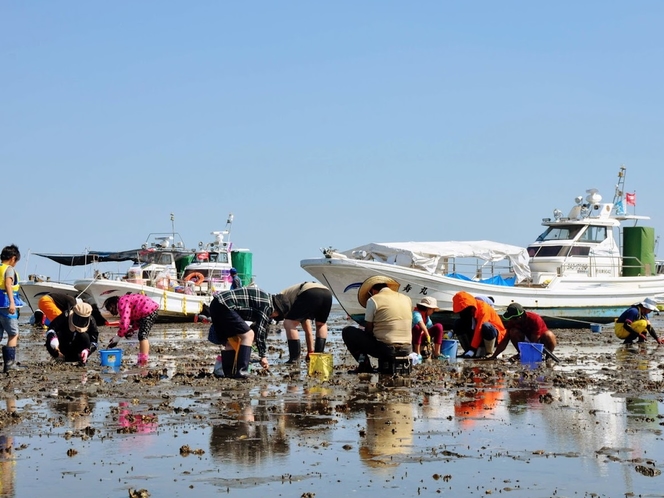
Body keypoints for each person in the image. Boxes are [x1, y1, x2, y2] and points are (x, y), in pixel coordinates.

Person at [341, 276, 413, 373]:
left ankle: (364, 365)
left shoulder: (373, 300)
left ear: (373, 291)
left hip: (386, 349)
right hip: (407, 349)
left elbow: (369, 330)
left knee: (347, 331)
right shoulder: (407, 299)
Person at [207, 287, 274, 378]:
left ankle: (229, 374)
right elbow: (260, 333)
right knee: (248, 335)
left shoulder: (250, 315)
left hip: (217, 304)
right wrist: (263, 356)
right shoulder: (266, 307)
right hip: (224, 304)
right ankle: (242, 373)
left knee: (231, 341)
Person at [271, 282, 333, 364]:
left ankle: (294, 359)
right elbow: (308, 331)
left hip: (308, 292)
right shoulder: (295, 301)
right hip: (327, 293)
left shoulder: (281, 299)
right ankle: (317, 358)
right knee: (320, 324)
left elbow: (288, 319)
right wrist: (310, 351)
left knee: (289, 323)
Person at [104, 294, 159, 365]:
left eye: (110, 310)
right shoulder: (124, 300)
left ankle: (143, 361)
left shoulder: (122, 303)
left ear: (113, 304)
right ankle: (142, 360)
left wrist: (117, 338)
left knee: (143, 336)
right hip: (147, 310)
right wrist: (131, 330)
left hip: (148, 310)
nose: (113, 314)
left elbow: (124, 323)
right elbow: (135, 319)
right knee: (142, 335)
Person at [489, 302, 557, 359]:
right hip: (526, 341)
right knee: (512, 332)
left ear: (519, 317)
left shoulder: (534, 319)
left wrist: (530, 354)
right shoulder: (512, 322)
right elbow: (505, 340)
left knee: (549, 335)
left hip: (539, 341)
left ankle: (548, 357)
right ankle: (521, 353)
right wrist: (494, 356)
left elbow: (535, 340)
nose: (511, 321)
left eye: (512, 319)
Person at [452, 291, 506, 358]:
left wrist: (473, 349)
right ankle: (467, 351)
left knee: (486, 326)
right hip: (478, 337)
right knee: (458, 323)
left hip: (494, 337)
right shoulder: (468, 312)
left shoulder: (483, 308)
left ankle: (489, 352)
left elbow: (479, 329)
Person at [0, 244, 24, 373]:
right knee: (13, 334)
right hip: (5, 305)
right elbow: (8, 285)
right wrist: (12, 303)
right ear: (13, 258)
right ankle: (9, 364)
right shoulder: (9, 269)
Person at [38, 292, 107, 326]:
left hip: (46, 300)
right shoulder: (73, 303)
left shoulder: (72, 301)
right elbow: (69, 316)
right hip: (47, 301)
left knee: (59, 322)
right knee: (61, 322)